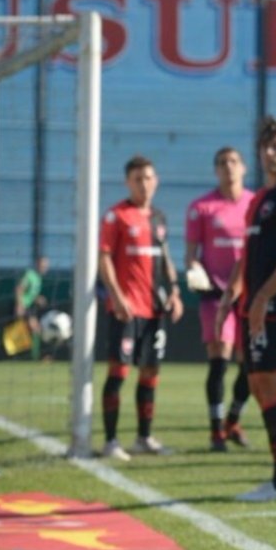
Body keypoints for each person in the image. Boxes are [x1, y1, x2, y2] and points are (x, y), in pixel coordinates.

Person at [217, 116, 276, 502]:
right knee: (259, 386)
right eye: (266, 147)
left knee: (272, 386)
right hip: (252, 303)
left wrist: (261, 298)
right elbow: (249, 254)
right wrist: (233, 294)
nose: (271, 153)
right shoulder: (259, 199)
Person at [97, 155, 184, 461]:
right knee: (119, 371)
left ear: (156, 181)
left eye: (148, 178)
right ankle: (110, 441)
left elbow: (166, 258)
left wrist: (174, 292)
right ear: (127, 183)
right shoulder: (116, 216)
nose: (144, 184)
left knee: (150, 373)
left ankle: (144, 438)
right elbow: (104, 257)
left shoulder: (158, 218)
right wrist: (117, 296)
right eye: (137, 179)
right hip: (126, 308)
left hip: (154, 310)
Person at [184, 147, 254, 452]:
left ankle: (233, 421)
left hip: (250, 295)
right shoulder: (201, 207)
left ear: (244, 168)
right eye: (223, 163)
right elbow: (190, 256)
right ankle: (216, 431)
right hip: (216, 295)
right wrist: (196, 273)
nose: (229, 167)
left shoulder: (256, 203)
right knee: (219, 358)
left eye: (234, 162)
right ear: (216, 170)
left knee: (250, 365)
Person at [14, 255, 49, 360]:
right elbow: (19, 289)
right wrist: (19, 305)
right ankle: (36, 357)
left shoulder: (38, 278)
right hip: (23, 306)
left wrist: (38, 299)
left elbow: (31, 294)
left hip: (29, 307)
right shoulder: (29, 275)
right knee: (35, 329)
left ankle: (36, 356)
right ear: (37, 264)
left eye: (46, 266)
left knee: (36, 329)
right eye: (43, 265)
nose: (45, 268)